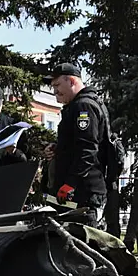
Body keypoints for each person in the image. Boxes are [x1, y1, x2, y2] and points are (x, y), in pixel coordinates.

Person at [43, 63, 110, 228]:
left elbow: (87, 149)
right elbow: (78, 144)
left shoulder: (83, 106)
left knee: (82, 243)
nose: (55, 91)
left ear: (72, 81)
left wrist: (70, 184)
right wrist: (57, 148)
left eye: (57, 85)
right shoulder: (78, 105)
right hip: (74, 190)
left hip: (81, 192)